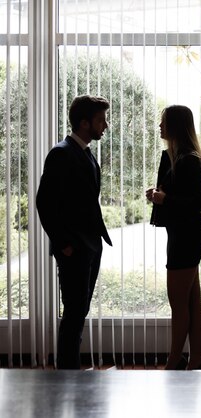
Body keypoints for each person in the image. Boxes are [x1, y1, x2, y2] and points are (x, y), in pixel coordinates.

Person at [36, 95, 113, 369]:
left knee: (79, 312)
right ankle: (66, 373)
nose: (105, 126)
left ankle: (71, 371)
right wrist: (64, 244)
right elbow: (44, 203)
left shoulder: (85, 152)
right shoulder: (61, 153)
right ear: (84, 123)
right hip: (74, 248)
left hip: (91, 246)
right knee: (73, 313)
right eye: (101, 120)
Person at [146, 105, 201, 370]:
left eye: (163, 122)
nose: (159, 126)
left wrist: (166, 199)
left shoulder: (189, 158)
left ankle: (174, 360)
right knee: (191, 300)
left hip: (187, 236)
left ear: (175, 125)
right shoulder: (177, 156)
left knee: (178, 303)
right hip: (185, 234)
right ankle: (195, 358)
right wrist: (160, 195)